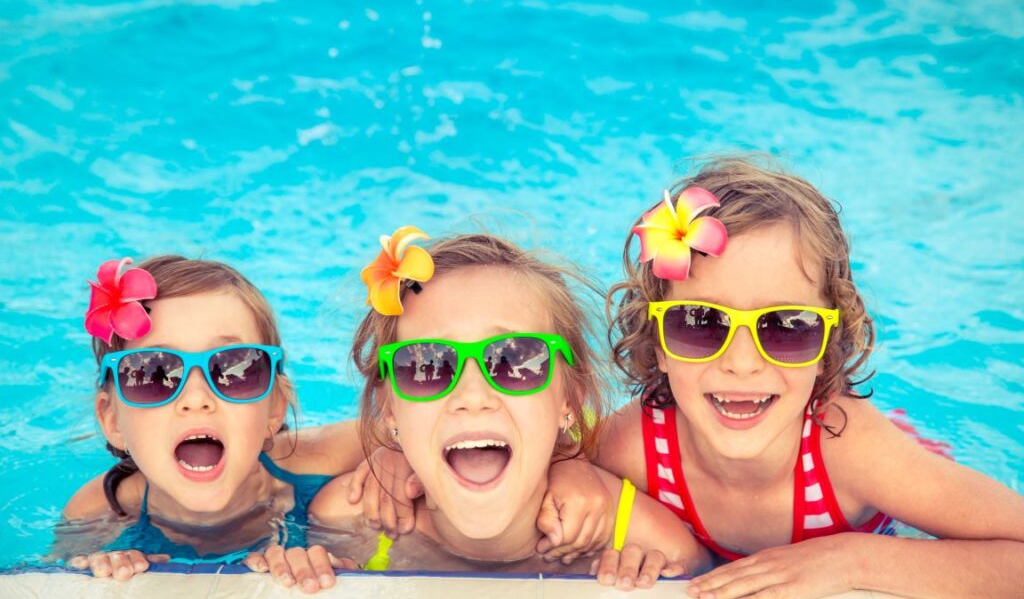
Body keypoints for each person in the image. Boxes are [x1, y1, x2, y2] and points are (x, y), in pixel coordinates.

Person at [563, 156, 1024, 598]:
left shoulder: (852, 450)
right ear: (657, 341)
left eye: (786, 327)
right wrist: (576, 475)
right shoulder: (635, 446)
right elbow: (536, 453)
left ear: (827, 347)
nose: (742, 363)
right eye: (700, 322)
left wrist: (851, 560)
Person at [252, 232, 710, 592]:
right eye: (427, 365)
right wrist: (305, 570)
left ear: (569, 402)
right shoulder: (352, 522)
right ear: (388, 408)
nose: (472, 395)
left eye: (514, 360)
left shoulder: (645, 540)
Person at [57, 256, 368, 591]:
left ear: (275, 407)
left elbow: (395, 433)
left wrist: (390, 461)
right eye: (154, 373)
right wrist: (102, 566)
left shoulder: (321, 459)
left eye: (234, 368)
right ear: (111, 419)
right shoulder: (96, 513)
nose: (196, 397)